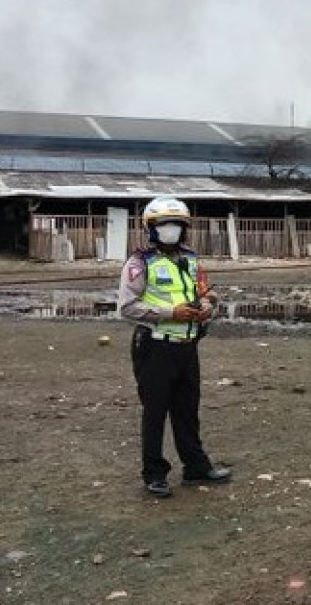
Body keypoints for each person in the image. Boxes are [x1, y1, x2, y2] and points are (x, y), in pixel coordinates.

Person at [118, 196, 231, 498]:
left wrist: (207, 307)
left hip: (187, 346)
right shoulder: (139, 263)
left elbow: (205, 294)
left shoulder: (192, 260)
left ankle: (195, 466)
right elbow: (127, 307)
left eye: (177, 225)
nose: (172, 230)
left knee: (187, 410)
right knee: (155, 412)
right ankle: (154, 474)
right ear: (151, 228)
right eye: (165, 225)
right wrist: (172, 313)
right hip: (155, 347)